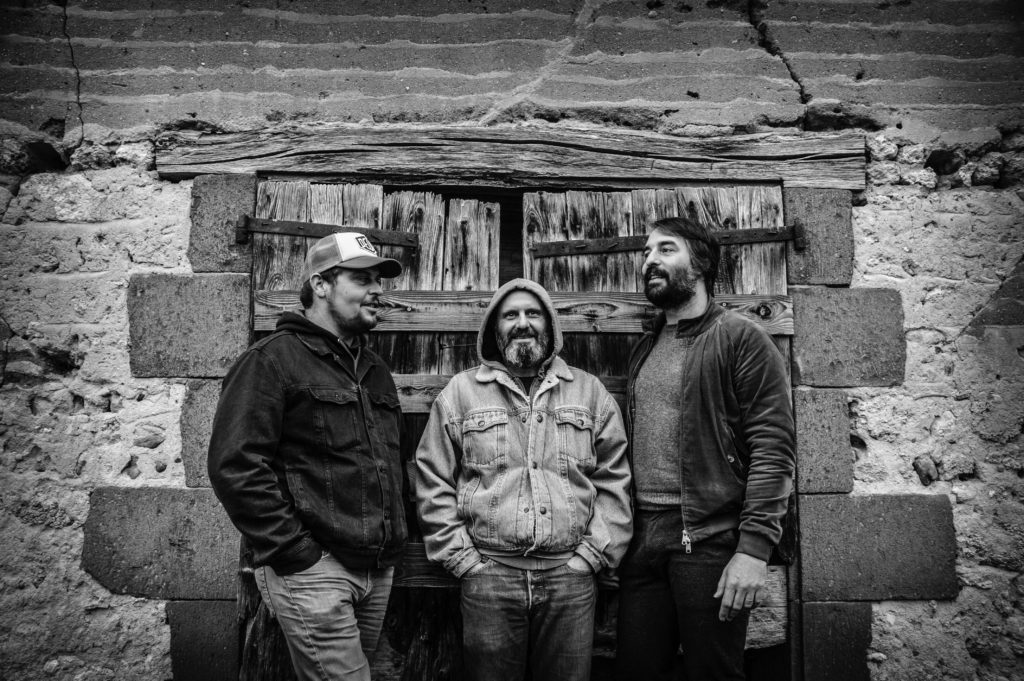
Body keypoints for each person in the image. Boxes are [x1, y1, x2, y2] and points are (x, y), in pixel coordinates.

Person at [208, 232, 408, 681]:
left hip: (376, 571)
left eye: (379, 280)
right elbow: (235, 466)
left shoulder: (375, 370)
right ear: (320, 284)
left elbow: (392, 463)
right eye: (362, 279)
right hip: (315, 571)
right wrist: (296, 552)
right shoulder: (270, 361)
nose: (378, 290)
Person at [415, 278, 633, 681]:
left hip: (570, 580)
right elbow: (432, 479)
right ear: (494, 328)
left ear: (550, 324)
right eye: (510, 315)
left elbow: (614, 480)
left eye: (533, 313)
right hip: (490, 579)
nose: (522, 323)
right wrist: (464, 560)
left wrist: (590, 557)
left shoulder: (589, 392)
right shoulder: (461, 393)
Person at [615, 216, 795, 681]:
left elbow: (773, 449)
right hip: (642, 538)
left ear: (700, 264)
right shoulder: (646, 346)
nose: (649, 260)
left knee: (713, 672)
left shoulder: (741, 338)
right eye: (646, 252)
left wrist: (754, 550)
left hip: (709, 539)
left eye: (666, 249)